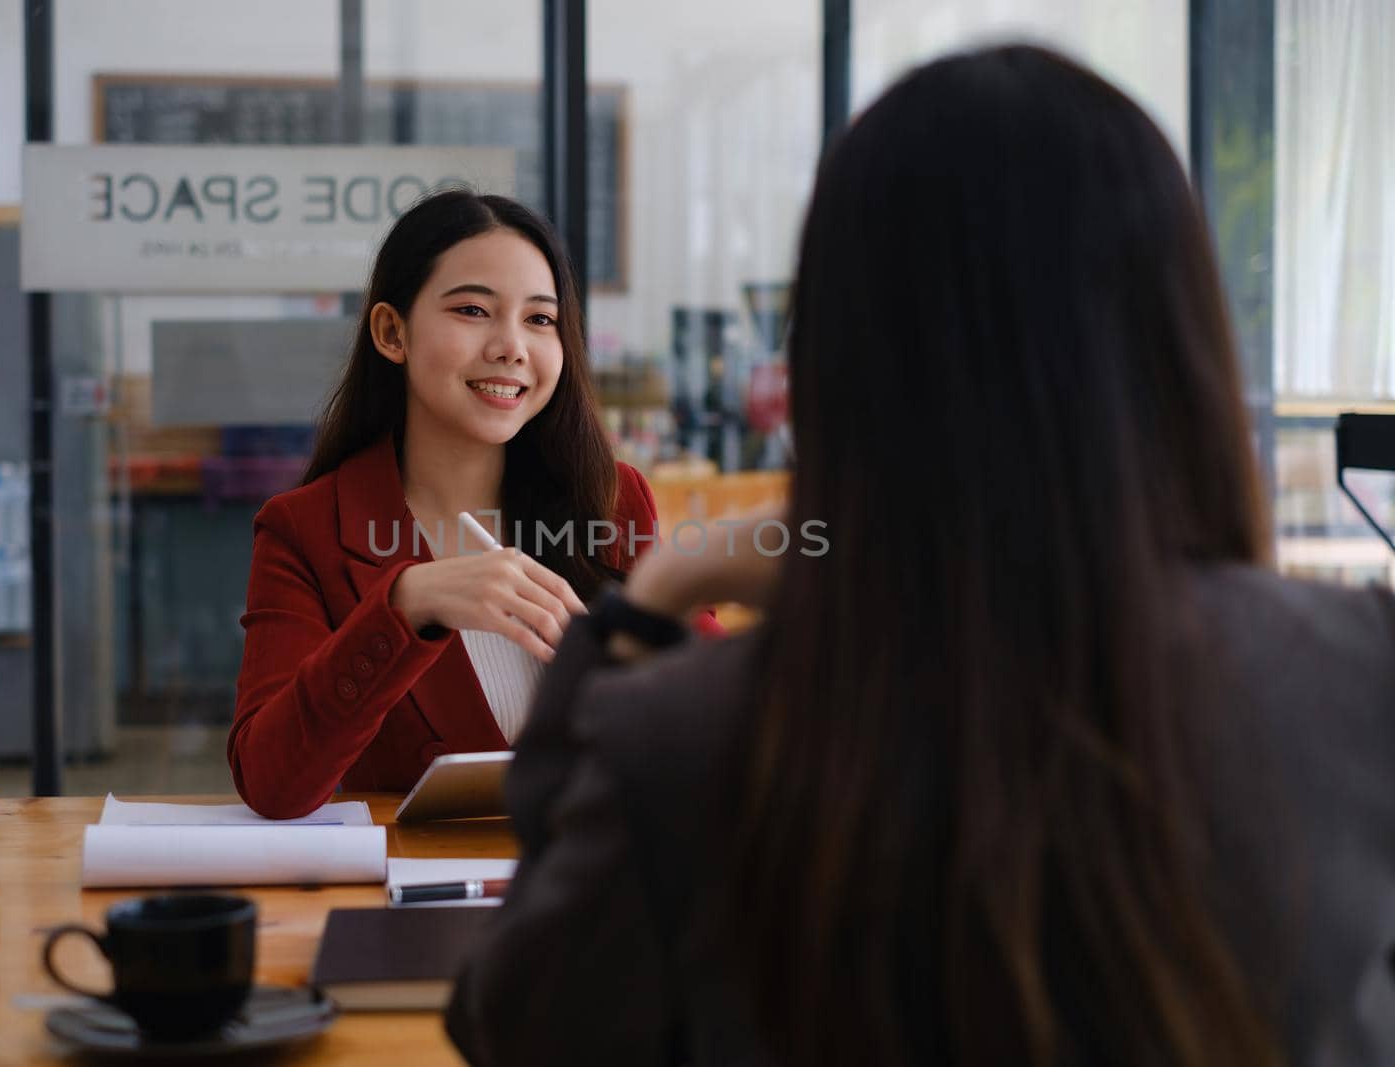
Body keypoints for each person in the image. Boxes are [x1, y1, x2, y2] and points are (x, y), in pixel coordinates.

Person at [446, 45, 1395, 1067]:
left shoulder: (689, 734)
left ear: (840, 356)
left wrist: (659, 590)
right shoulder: (1357, 672)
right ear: (1182, 337)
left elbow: (515, 1021)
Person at [229, 190, 696, 818]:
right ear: (392, 332)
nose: (512, 347)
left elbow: (716, 718)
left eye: (539, 320)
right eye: (474, 310)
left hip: (603, 890)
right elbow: (271, 784)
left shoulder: (612, 501)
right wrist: (406, 603)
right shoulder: (305, 530)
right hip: (420, 901)